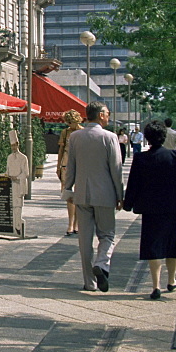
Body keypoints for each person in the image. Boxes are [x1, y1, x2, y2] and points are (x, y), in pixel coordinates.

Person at [123, 120, 176, 300]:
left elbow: (134, 184)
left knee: (153, 245)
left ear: (147, 138)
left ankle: (155, 285)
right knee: (172, 244)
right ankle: (171, 279)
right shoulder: (175, 157)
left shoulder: (141, 158)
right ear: (164, 136)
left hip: (150, 209)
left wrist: (128, 203)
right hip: (173, 207)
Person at [63, 102, 124, 292]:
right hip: (105, 195)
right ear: (100, 115)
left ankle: (89, 282)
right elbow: (116, 169)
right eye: (107, 113)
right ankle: (102, 263)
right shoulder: (110, 137)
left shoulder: (75, 137)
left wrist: (68, 189)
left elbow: (70, 165)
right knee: (107, 235)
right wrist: (120, 194)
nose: (108, 116)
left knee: (85, 239)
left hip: (81, 194)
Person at [56, 109, 84, 236]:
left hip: (80, 164)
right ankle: (70, 223)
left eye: (71, 122)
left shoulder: (83, 132)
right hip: (66, 163)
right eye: (68, 122)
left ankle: (77, 223)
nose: (69, 125)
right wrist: (58, 166)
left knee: (79, 194)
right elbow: (61, 150)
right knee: (69, 194)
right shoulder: (65, 132)